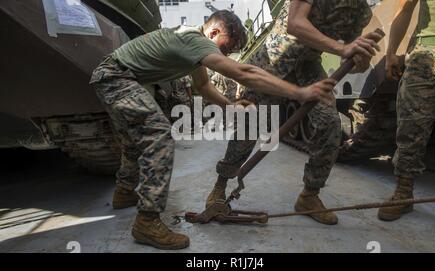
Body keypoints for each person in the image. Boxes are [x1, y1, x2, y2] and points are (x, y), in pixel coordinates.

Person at [90, 10, 336, 249]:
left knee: (135, 139)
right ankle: (147, 221)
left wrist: (231, 107)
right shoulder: (193, 39)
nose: (225, 55)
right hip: (117, 77)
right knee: (159, 137)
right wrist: (299, 92)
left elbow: (204, 86)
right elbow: (244, 72)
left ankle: (124, 192)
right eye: (226, 49)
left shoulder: (192, 46)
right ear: (214, 31)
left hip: (117, 77)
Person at [205, 0, 381, 225]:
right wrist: (343, 49)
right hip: (273, 60)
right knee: (250, 127)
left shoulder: (359, 10)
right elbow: (295, 24)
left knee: (330, 125)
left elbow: (353, 61)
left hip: (308, 67)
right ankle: (220, 187)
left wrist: (360, 57)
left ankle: (309, 196)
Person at [378, 0, 435, 221]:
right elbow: (405, 8)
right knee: (410, 125)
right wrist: (391, 52)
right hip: (423, 51)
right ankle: (403, 192)